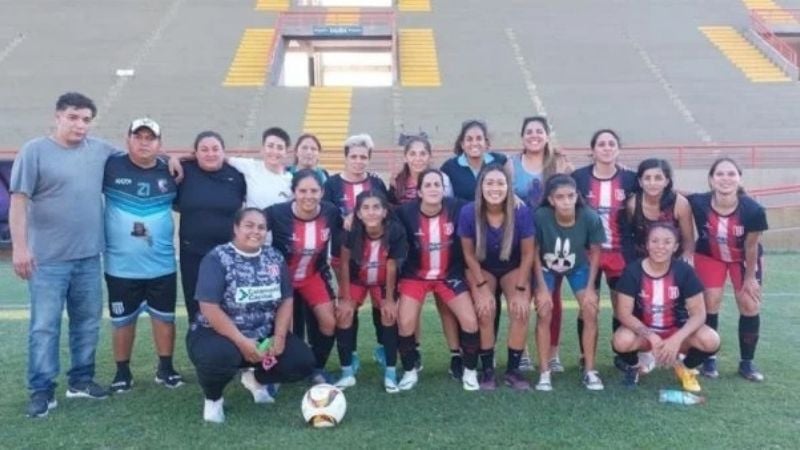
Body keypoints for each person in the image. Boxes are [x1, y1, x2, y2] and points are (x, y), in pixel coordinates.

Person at [10, 92, 119, 418]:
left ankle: (81, 380)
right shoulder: (35, 151)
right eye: (73, 117)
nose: (80, 125)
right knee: (44, 327)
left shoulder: (99, 150)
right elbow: (19, 201)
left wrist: (170, 159)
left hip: (88, 257)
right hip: (48, 260)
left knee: (87, 323)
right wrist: (20, 247)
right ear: (57, 117)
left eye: (86, 119)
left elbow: (137, 159)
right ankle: (42, 389)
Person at [187, 208, 315, 423]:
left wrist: (280, 337)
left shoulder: (274, 257)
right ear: (236, 228)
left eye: (261, 227)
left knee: (301, 362)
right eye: (249, 225)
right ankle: (213, 399)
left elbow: (286, 299)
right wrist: (242, 342)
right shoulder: (217, 257)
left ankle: (255, 379)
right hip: (218, 334)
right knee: (219, 358)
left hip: (263, 334)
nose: (256, 231)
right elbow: (209, 307)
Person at [103, 118, 183, 393]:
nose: (144, 142)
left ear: (159, 144)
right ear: (128, 140)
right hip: (120, 266)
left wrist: (172, 158)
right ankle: (122, 372)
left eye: (151, 138)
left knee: (165, 318)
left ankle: (166, 368)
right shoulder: (110, 165)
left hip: (162, 264)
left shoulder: (169, 171)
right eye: (139, 136)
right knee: (123, 321)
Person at [395, 169, 481, 391]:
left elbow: (485, 202)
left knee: (470, 321)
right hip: (416, 276)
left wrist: (515, 198)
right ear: (420, 192)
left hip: (448, 275)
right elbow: (380, 216)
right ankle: (409, 371)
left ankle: (470, 372)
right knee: (405, 322)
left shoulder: (458, 207)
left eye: (437, 184)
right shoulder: (405, 213)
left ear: (444, 189)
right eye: (428, 185)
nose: (433, 189)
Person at [612, 223, 720, 391]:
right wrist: (652, 337)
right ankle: (636, 367)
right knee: (621, 341)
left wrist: (675, 340)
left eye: (667, 242)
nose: (660, 246)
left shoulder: (685, 271)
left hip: (676, 331)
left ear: (676, 246)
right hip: (644, 333)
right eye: (654, 241)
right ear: (647, 244)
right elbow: (623, 313)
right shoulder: (632, 271)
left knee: (711, 340)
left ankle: (684, 367)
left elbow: (699, 314)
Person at [688, 157, 768, 381]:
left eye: (731, 174)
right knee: (711, 301)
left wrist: (750, 278)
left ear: (739, 179)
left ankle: (747, 363)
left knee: (749, 303)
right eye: (720, 174)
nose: (725, 178)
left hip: (743, 259)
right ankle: (709, 358)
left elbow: (751, 246)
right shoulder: (698, 202)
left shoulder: (753, 210)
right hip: (710, 256)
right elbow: (669, 192)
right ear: (711, 180)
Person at [458, 164, 537, 391]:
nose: (495, 188)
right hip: (481, 267)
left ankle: (513, 370)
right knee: (485, 310)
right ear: (480, 186)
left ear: (508, 187)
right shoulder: (468, 212)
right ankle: (488, 370)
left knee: (520, 310)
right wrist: (481, 287)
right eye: (489, 183)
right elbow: (468, 254)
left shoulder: (520, 211)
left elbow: (528, 253)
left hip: (513, 266)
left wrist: (522, 289)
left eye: (500, 183)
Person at [506, 115, 573, 373]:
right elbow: (502, 195)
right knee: (519, 296)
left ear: (547, 135)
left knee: (550, 299)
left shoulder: (558, 163)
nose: (534, 135)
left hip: (550, 241)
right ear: (523, 136)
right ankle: (521, 351)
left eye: (539, 131)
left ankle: (553, 354)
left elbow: (569, 197)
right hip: (519, 240)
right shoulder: (512, 165)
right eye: (529, 131)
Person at [266, 170, 342, 383]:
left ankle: (316, 368)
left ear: (322, 192)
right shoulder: (276, 213)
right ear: (293, 193)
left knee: (329, 322)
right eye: (302, 190)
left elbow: (347, 227)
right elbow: (252, 226)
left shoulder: (330, 212)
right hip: (282, 280)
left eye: (314, 190)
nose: (308, 195)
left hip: (312, 276)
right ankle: (274, 373)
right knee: (282, 330)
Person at [322, 133, 389, 369]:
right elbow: (326, 217)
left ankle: (383, 347)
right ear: (346, 158)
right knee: (349, 303)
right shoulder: (331, 184)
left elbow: (386, 213)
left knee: (380, 301)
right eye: (354, 156)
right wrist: (346, 219)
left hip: (377, 254)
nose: (358, 161)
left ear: (369, 159)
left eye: (363, 157)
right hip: (344, 256)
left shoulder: (376, 183)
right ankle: (351, 354)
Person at [571, 129, 637, 368]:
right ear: (593, 150)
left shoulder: (631, 179)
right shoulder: (579, 177)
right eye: (601, 144)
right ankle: (584, 355)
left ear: (618, 149)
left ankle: (620, 353)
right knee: (588, 306)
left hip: (621, 252)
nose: (607, 147)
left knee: (622, 306)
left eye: (611, 143)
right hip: (589, 253)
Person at [533, 174, 606, 390]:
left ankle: (590, 370)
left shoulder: (590, 217)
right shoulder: (540, 217)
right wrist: (543, 289)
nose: (566, 201)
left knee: (590, 309)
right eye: (560, 197)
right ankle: (544, 371)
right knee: (544, 310)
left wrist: (591, 288)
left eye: (570, 196)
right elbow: (534, 253)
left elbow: (595, 254)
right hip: (546, 266)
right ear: (551, 200)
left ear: (577, 196)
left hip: (578, 267)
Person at [335, 191, 407, 392]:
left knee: (388, 314)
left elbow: (392, 267)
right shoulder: (351, 231)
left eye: (376, 207)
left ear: (385, 211)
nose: (371, 212)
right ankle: (347, 372)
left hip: (383, 281)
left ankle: (391, 373)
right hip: (358, 279)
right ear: (357, 213)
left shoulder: (395, 231)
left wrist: (390, 299)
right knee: (344, 314)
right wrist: (345, 298)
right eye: (365, 208)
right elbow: (345, 265)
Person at [174, 131, 246, 324]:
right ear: (195, 153)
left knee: (230, 307)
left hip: (228, 256)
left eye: (215, 149)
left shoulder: (237, 176)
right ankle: (201, 350)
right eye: (204, 149)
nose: (210, 154)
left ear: (224, 152)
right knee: (197, 308)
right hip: (193, 255)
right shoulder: (183, 171)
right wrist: (176, 158)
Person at [625, 158, 694, 262]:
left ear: (666, 181)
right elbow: (629, 236)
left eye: (658, 178)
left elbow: (688, 241)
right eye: (647, 178)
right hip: (642, 260)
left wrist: (685, 261)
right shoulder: (632, 204)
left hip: (673, 259)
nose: (652, 183)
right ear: (640, 182)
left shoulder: (680, 204)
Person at [440, 119, 508, 202]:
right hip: (463, 214)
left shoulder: (500, 161)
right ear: (462, 144)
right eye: (469, 139)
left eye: (479, 138)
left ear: (486, 143)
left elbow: (509, 191)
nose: (474, 143)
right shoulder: (449, 167)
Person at [227, 127, 293, 209]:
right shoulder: (250, 167)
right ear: (262, 149)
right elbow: (223, 159)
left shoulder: (291, 181)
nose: (274, 151)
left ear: (286, 152)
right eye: (270, 146)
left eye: (280, 148)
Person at [389, 135, 453, 205]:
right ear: (405, 158)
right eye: (412, 154)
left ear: (430, 157)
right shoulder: (397, 182)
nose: (418, 159)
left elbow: (448, 207)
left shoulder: (442, 179)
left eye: (423, 154)